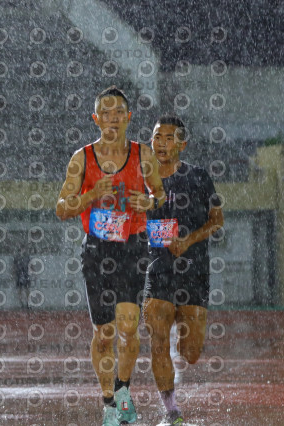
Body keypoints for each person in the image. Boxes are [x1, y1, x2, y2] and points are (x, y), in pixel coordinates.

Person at [56, 86, 166, 425]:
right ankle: (108, 403)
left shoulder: (142, 155)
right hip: (97, 250)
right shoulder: (82, 158)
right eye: (106, 113)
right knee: (104, 333)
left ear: (128, 117)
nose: (113, 118)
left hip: (132, 247)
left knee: (129, 326)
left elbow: (161, 195)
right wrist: (90, 195)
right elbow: (61, 208)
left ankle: (123, 391)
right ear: (96, 119)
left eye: (119, 112)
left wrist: (149, 202)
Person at [142, 115, 224, 425]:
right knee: (157, 341)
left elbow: (217, 220)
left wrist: (188, 239)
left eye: (169, 138)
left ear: (182, 144)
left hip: (194, 270)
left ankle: (183, 328)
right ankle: (172, 411)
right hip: (159, 268)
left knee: (190, 352)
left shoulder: (199, 177)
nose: (161, 143)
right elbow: (133, 221)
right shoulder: (142, 178)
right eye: (157, 137)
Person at [13, 242, 30, 310]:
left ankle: (27, 303)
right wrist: (14, 273)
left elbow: (30, 265)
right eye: (22, 248)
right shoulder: (17, 257)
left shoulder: (27, 257)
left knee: (26, 289)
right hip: (19, 274)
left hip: (25, 274)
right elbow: (14, 266)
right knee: (20, 289)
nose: (23, 250)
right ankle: (22, 304)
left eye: (24, 248)